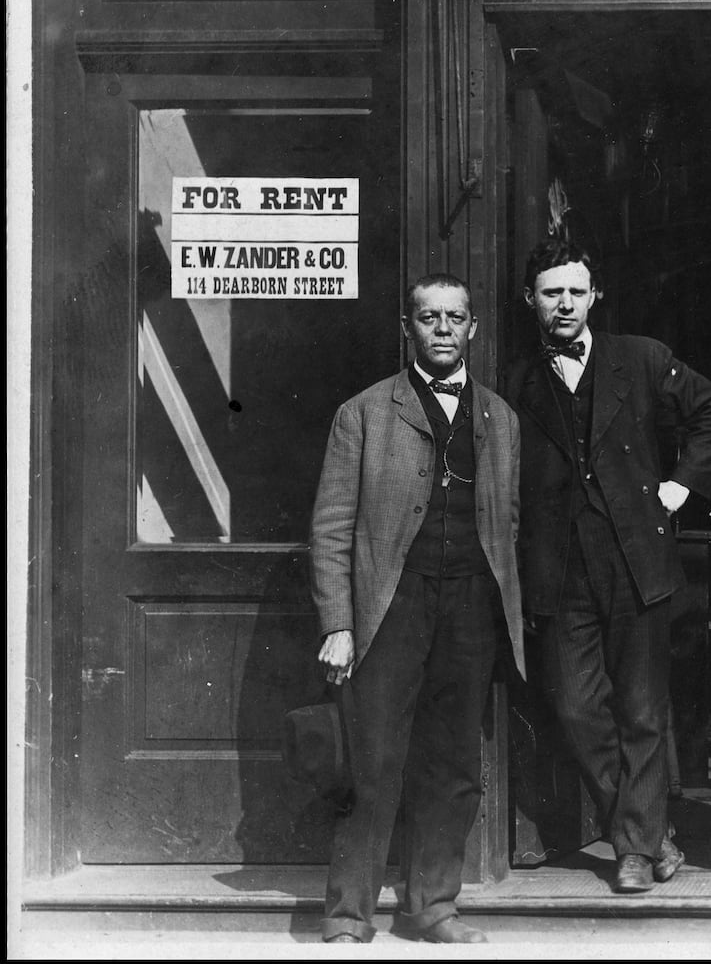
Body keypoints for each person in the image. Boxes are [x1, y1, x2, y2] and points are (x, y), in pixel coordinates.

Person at [308, 275, 523, 944]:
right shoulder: (364, 413)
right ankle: (349, 914)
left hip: (469, 609)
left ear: (473, 328)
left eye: (454, 318)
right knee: (372, 761)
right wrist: (339, 624)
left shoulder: (501, 418)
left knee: (453, 763)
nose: (441, 329)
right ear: (409, 326)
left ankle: (433, 904)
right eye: (428, 317)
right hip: (388, 608)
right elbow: (331, 526)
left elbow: (509, 522)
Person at [512, 239, 711, 893]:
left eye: (576, 291)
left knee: (641, 710)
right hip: (558, 570)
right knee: (576, 706)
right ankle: (647, 829)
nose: (565, 304)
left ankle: (632, 848)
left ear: (594, 295)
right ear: (532, 300)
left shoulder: (642, 357)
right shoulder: (516, 380)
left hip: (637, 561)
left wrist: (682, 486)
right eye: (552, 292)